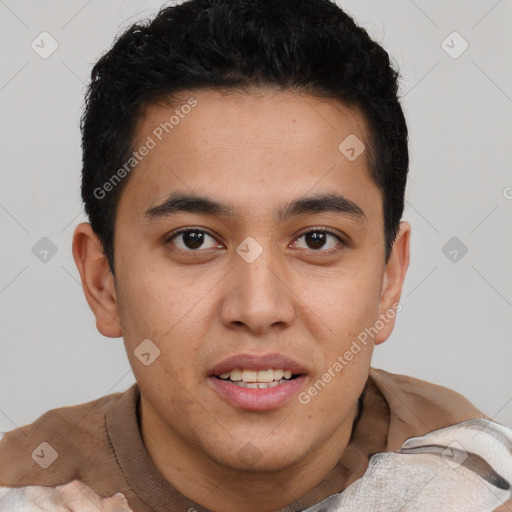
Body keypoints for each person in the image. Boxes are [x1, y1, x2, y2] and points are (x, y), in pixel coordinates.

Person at [0, 0, 510, 510]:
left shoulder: (475, 486)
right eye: (194, 239)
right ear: (102, 280)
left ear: (389, 280)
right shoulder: (22, 491)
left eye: (317, 240)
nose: (259, 308)